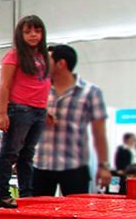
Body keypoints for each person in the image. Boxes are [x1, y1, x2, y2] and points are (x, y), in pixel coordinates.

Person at [31, 44, 110, 196]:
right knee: (37, 216)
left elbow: (99, 133)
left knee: (75, 217)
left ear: (61, 64)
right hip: (41, 164)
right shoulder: (38, 89)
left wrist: (103, 166)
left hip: (74, 166)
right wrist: (40, 116)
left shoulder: (90, 92)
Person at [0, 15, 50, 208]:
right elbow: (4, 85)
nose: (33, 35)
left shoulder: (44, 57)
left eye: (37, 30)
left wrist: (46, 108)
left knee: (27, 154)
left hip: (39, 111)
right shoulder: (13, 56)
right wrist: (2, 113)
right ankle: (2, 194)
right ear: (20, 34)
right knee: (10, 153)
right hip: (19, 109)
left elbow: (43, 85)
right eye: (28, 31)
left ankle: (26, 193)